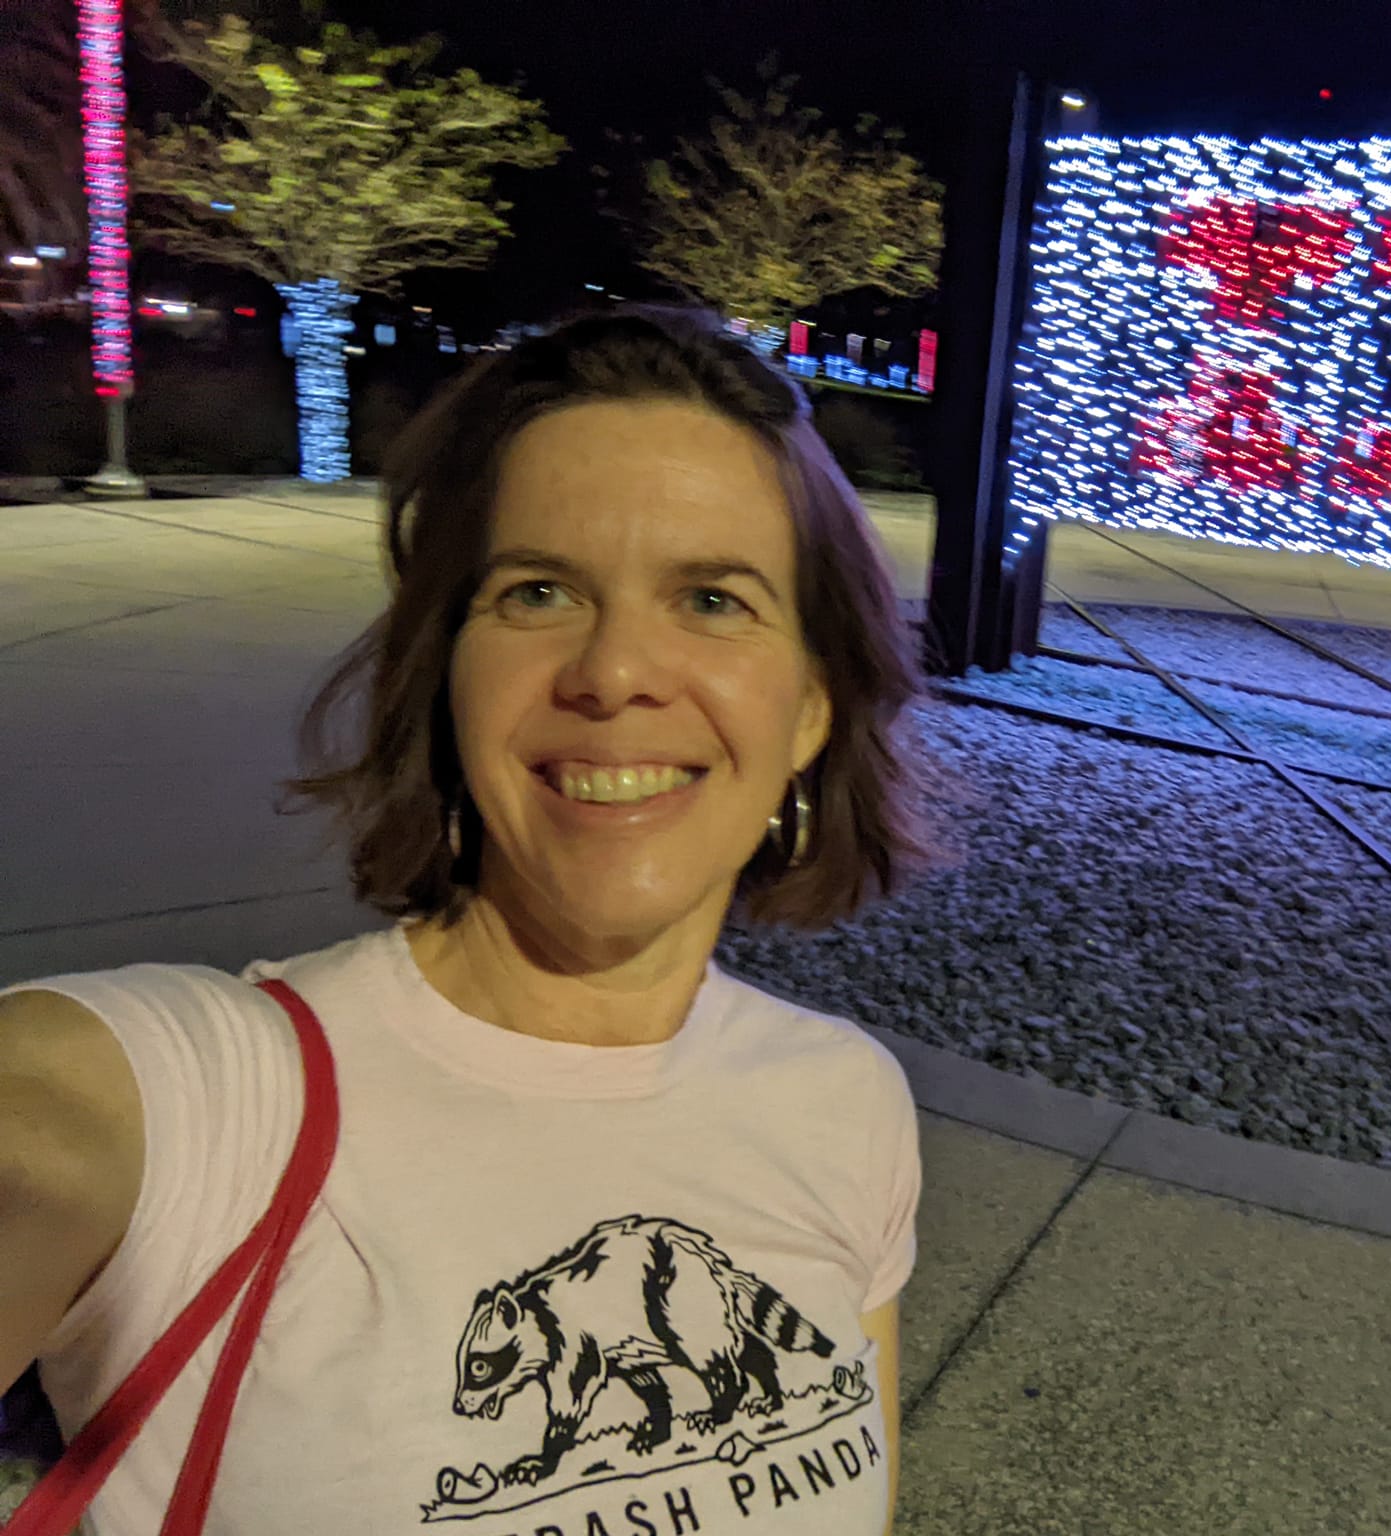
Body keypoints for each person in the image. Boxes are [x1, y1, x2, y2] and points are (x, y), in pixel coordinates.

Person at [0, 311, 931, 1535]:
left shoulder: (845, 1103)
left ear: (810, 706)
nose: (612, 674)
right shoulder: (197, 1107)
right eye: (538, 590)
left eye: (711, 598)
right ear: (447, 672)